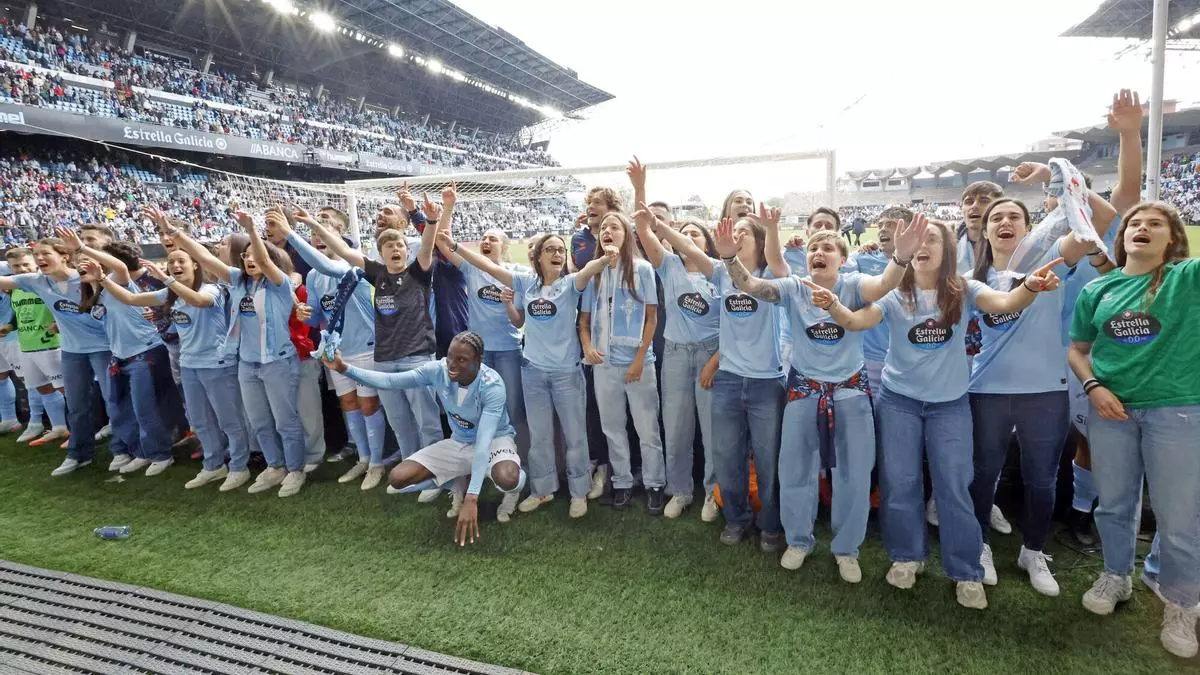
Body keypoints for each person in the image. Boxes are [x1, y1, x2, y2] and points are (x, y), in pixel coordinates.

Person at [817, 220, 1061, 609]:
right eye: (916, 240)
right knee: (900, 483)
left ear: (948, 248)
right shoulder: (896, 293)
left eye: (932, 238)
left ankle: (966, 570)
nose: (922, 245)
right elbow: (856, 321)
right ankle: (906, 557)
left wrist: (1029, 287)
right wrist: (832, 304)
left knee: (954, 485)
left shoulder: (963, 289)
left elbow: (1005, 304)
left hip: (950, 405)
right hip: (898, 402)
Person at [721, 216, 926, 583]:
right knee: (795, 470)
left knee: (854, 473)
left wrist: (900, 258)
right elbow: (753, 286)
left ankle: (847, 549)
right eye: (814, 247)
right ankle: (799, 540)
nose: (819, 252)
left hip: (850, 390)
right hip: (803, 389)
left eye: (828, 248)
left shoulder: (853, 285)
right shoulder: (794, 287)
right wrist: (729, 260)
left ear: (842, 259)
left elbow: (883, 285)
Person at [965, 189, 1118, 597]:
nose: (1004, 222)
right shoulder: (970, 282)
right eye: (996, 217)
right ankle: (979, 545)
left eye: (1014, 215)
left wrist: (1066, 183)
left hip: (1046, 391)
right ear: (983, 231)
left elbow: (1098, 222)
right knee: (981, 475)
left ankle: (1032, 551)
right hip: (986, 391)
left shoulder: (1051, 260)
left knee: (1042, 480)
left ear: (1028, 227)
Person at [1068, 202, 1199, 658]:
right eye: (1134, 224)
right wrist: (1093, 386)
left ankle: (1182, 602)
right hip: (1111, 412)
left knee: (1180, 516)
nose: (1141, 228)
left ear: (1172, 238)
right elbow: (1078, 349)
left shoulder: (1187, 278)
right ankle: (1116, 575)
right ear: (1122, 238)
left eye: (1155, 224)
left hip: (1177, 411)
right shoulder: (1100, 289)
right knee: (1115, 503)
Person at [442, 229, 612, 519]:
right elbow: (489, 267)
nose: (557, 254)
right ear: (539, 257)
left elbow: (589, 270)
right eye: (551, 250)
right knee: (540, 436)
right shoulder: (525, 283)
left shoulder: (571, 284)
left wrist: (605, 258)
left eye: (561, 250)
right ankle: (543, 489)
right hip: (532, 372)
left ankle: (578, 491)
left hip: (565, 374)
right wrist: (455, 245)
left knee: (575, 436)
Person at [656, 204, 791, 551]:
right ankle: (736, 518)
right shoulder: (720, 273)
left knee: (768, 459)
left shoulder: (776, 276)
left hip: (765, 381)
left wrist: (771, 229)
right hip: (729, 379)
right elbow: (687, 248)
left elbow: (776, 260)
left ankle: (771, 526)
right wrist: (657, 223)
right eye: (736, 231)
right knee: (727, 456)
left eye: (746, 232)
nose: (738, 236)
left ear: (760, 242)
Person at [320, 332, 525, 547]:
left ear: (479, 360)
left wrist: (472, 498)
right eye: (450, 356)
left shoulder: (492, 385)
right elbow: (390, 380)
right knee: (398, 478)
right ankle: (457, 482)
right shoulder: (438, 370)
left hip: (494, 440)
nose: (452, 365)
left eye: (462, 360)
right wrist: (343, 368)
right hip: (459, 442)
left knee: (506, 477)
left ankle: (513, 488)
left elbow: (483, 442)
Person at [310, 184, 445, 497]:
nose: (395, 249)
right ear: (381, 254)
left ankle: (436, 475)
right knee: (401, 423)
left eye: (399, 244)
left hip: (417, 359)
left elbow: (427, 246)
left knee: (426, 422)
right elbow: (344, 252)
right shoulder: (377, 274)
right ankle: (410, 475)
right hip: (384, 361)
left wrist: (431, 220)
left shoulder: (420, 271)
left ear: (405, 250)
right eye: (388, 247)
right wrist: (316, 226)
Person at [171, 211, 310, 497]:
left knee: (286, 421)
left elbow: (266, 262)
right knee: (259, 422)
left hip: (278, 362)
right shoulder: (237, 281)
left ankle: (295, 470)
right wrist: (175, 233)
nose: (249, 259)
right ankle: (275, 467)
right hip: (247, 364)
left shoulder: (280, 284)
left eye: (254, 254)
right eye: (244, 255)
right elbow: (206, 258)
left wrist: (251, 231)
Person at [95, 246, 251, 492]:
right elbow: (131, 299)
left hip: (217, 365)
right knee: (200, 420)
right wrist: (103, 278)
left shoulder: (211, 289)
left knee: (229, 420)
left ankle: (240, 466)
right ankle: (213, 465)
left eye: (181, 261)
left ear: (196, 265)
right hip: (189, 365)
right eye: (171, 262)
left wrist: (167, 280)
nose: (175, 266)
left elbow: (199, 302)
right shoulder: (170, 293)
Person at [0, 237, 129, 475]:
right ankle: (79, 454)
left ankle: (122, 449)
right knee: (77, 404)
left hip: (103, 347)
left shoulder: (85, 276)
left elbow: (121, 272)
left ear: (64, 256)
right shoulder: (35, 281)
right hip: (71, 351)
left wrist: (82, 247)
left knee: (113, 399)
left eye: (45, 254)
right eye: (36, 255)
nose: (39, 259)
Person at [282, 208, 388, 491]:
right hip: (336, 350)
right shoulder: (315, 277)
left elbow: (331, 267)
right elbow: (319, 318)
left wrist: (291, 233)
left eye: (323, 234)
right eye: (314, 235)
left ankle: (377, 463)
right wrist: (307, 315)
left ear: (338, 236)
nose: (318, 239)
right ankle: (364, 458)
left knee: (368, 405)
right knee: (349, 404)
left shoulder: (353, 265)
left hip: (365, 346)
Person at [632, 206, 721, 521]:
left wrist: (715, 360)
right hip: (676, 353)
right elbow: (644, 230)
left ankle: (713, 493)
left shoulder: (719, 271)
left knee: (712, 430)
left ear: (707, 244)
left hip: (712, 354)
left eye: (695, 233)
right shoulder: (668, 266)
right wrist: (640, 190)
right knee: (676, 426)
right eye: (683, 234)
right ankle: (681, 491)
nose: (688, 238)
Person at [63, 230, 175, 477]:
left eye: (87, 266)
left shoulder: (117, 279)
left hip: (145, 351)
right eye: (80, 268)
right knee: (119, 409)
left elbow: (119, 265)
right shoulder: (93, 294)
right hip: (120, 355)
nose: (82, 270)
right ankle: (141, 452)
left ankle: (160, 454)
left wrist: (82, 248)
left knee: (144, 408)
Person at [578, 211, 664, 513]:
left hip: (637, 363)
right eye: (603, 227)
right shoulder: (594, 272)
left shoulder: (641, 269)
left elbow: (651, 318)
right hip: (604, 363)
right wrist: (587, 346)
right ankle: (623, 482)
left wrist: (640, 359)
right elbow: (584, 321)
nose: (607, 231)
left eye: (614, 226)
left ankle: (654, 484)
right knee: (612, 428)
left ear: (626, 235)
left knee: (647, 429)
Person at [3, 247, 67, 445]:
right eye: (16, 266)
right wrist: (10, 325)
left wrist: (60, 323)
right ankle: (59, 428)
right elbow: (19, 313)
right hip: (27, 346)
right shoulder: (14, 289)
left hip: (51, 345)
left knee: (66, 389)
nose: (21, 269)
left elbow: (65, 306)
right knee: (42, 388)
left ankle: (84, 428)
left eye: (25, 264)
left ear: (35, 263)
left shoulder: (47, 283)